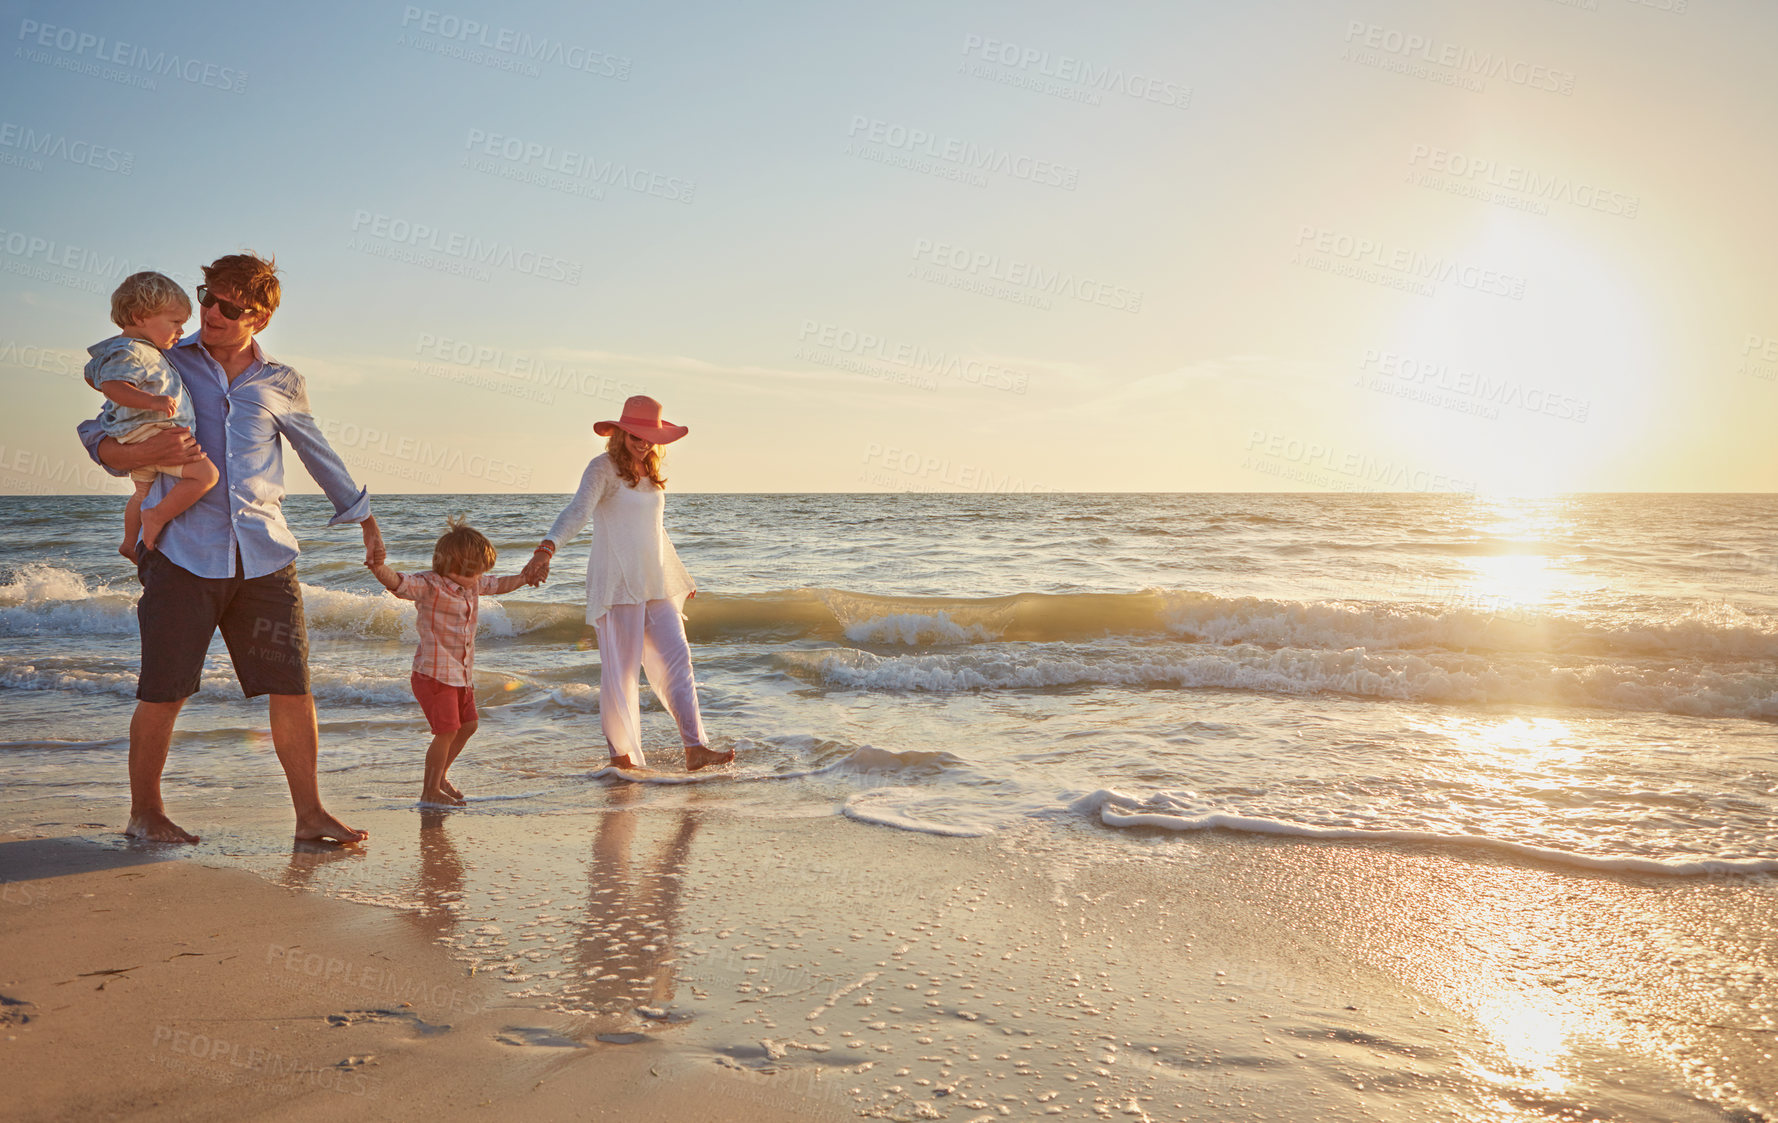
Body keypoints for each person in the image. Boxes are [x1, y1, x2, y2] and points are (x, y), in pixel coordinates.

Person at [76, 252, 380, 845]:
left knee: (293, 688)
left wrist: (364, 519)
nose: (210, 312)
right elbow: (98, 435)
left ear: (258, 318)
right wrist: (137, 460)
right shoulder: (162, 358)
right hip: (181, 555)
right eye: (206, 296)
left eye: (228, 306)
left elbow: (318, 452)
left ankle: (311, 815)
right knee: (164, 689)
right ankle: (146, 814)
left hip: (265, 556)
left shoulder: (281, 381)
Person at [522, 395, 731, 772]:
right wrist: (546, 548)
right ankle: (621, 757)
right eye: (637, 433)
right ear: (620, 432)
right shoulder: (601, 468)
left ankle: (695, 747)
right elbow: (578, 511)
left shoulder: (650, 473)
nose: (644, 441)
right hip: (617, 584)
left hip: (654, 585)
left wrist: (678, 574)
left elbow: (655, 531)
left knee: (678, 661)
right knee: (620, 674)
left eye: (651, 435)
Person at [367, 517, 535, 806]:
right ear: (455, 567)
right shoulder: (429, 585)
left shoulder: (472, 584)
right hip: (434, 674)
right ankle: (429, 791)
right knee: (446, 732)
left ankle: (440, 775)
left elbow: (500, 584)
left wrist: (525, 577)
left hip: (460, 674)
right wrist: (378, 566)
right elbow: (398, 582)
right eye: (476, 572)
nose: (481, 580)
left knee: (468, 725)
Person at [83, 272, 221, 558]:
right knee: (206, 475)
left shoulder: (138, 349)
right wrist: (151, 401)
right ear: (140, 316)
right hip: (150, 432)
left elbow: (94, 376)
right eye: (175, 323)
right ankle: (157, 516)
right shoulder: (131, 351)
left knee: (141, 491)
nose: (181, 331)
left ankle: (129, 542)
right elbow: (112, 385)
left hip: (142, 432)